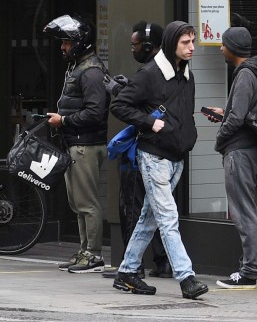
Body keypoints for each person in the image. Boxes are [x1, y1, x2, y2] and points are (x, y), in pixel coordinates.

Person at [110, 21, 209, 300]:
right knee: (168, 217)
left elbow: (184, 113)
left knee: (149, 218)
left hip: (176, 156)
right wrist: (149, 123)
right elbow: (119, 105)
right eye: (185, 43)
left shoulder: (186, 75)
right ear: (171, 44)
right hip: (154, 155)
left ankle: (127, 272)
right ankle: (186, 278)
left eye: (193, 42)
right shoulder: (150, 74)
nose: (192, 48)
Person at [42, 15, 109, 274]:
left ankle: (93, 255)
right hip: (76, 143)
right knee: (78, 202)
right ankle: (85, 251)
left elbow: (95, 112)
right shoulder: (79, 66)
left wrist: (64, 120)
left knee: (87, 203)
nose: (62, 47)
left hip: (86, 144)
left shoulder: (90, 71)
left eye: (67, 42)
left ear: (79, 42)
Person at [103, 21, 170, 280]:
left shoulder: (150, 72)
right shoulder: (172, 69)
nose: (133, 49)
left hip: (141, 151)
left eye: (135, 45)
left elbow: (135, 108)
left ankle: (133, 265)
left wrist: (119, 91)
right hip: (165, 152)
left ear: (149, 46)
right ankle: (162, 262)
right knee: (158, 209)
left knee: (133, 207)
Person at [204, 26, 257, 290]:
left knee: (243, 212)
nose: (221, 48)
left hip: (240, 150)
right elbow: (243, 112)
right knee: (246, 209)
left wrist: (220, 139)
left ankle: (248, 272)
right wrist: (224, 112)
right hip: (249, 147)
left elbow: (237, 118)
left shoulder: (244, 74)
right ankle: (247, 268)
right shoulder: (254, 72)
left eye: (223, 44)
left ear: (233, 48)